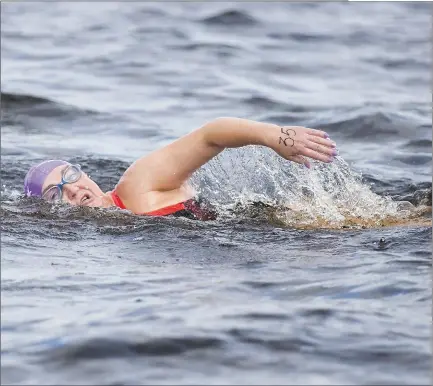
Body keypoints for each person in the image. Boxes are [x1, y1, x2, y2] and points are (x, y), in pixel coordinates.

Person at [24, 117, 337, 220]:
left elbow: (210, 135)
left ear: (87, 175)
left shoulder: (135, 186)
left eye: (71, 177)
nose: (75, 189)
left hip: (292, 229)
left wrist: (273, 136)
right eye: (56, 194)